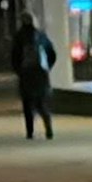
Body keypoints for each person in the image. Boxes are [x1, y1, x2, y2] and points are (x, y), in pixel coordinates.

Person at [10, 9, 58, 140]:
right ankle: (49, 129)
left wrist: (18, 70)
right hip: (40, 73)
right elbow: (52, 54)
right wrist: (47, 67)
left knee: (27, 103)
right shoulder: (41, 36)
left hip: (26, 74)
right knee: (41, 103)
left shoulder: (19, 37)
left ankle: (30, 132)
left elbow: (14, 56)